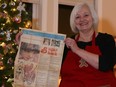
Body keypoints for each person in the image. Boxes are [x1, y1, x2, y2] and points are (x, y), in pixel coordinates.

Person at [59, 2, 116, 87]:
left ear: (93, 18)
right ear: (74, 22)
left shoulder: (106, 40)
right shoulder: (67, 43)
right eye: (77, 17)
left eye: (86, 15)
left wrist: (77, 50)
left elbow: (105, 64)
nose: (82, 19)